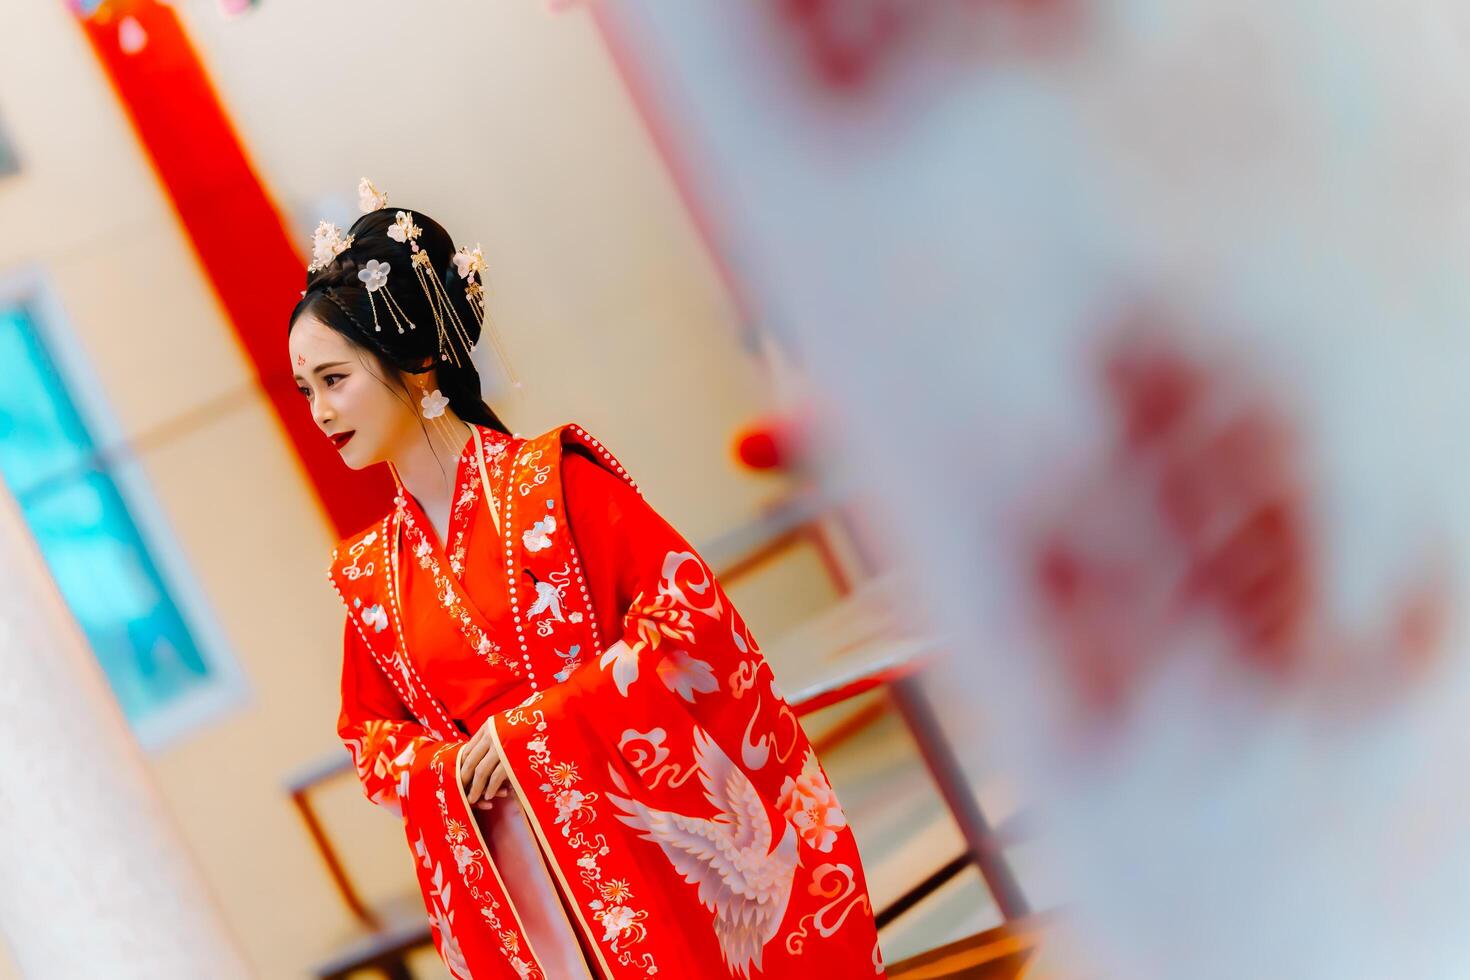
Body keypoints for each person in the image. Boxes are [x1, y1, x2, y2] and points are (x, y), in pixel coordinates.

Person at [287, 180, 885, 979]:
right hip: (528, 900)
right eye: (305, 391)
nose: (320, 412)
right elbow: (369, 739)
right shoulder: (369, 574)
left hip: (651, 857)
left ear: (421, 359)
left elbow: (687, 618)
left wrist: (534, 730)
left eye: (334, 379)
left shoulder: (557, 484)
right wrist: (441, 768)